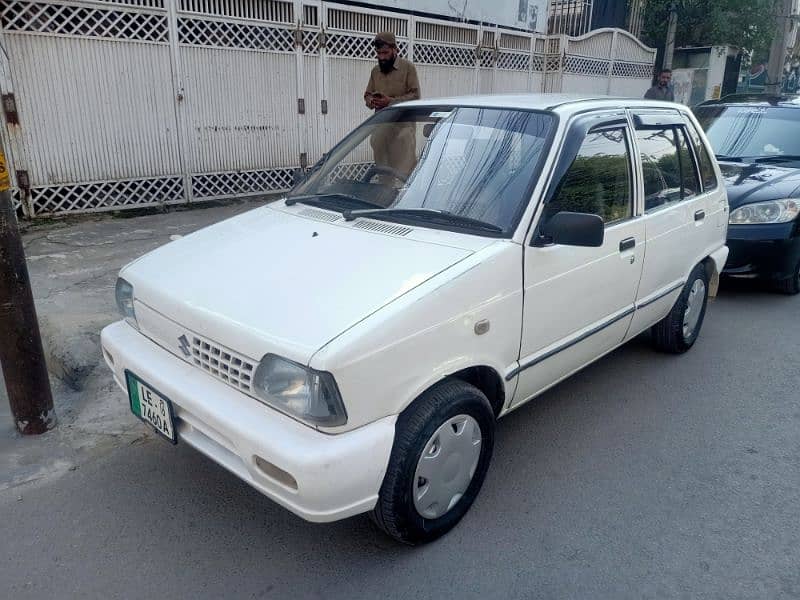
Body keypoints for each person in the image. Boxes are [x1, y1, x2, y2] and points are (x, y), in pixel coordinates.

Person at [363, 32, 421, 182]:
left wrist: (389, 102)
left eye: (385, 53)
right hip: (382, 128)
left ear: (395, 49)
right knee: (384, 174)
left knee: (405, 174)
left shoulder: (408, 68)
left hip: (403, 129)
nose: (381, 57)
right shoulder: (375, 71)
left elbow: (415, 96)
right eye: (378, 53)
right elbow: (367, 95)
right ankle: (385, 196)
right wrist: (372, 101)